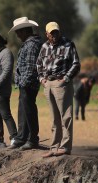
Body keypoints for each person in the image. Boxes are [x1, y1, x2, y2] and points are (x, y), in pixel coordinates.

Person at [37, 22, 80, 158]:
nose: (54, 35)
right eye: (52, 33)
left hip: (61, 83)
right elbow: (38, 64)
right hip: (48, 83)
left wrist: (66, 79)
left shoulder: (68, 44)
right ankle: (54, 147)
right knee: (54, 118)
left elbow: (76, 64)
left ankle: (65, 146)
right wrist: (41, 79)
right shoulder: (44, 46)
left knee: (66, 116)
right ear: (47, 34)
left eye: (56, 32)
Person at [7, 17, 43, 151]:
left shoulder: (32, 44)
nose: (17, 35)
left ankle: (32, 139)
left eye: (19, 32)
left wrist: (23, 82)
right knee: (23, 109)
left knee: (29, 110)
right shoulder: (29, 43)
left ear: (26, 31)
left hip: (28, 84)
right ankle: (22, 137)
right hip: (24, 83)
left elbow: (31, 67)